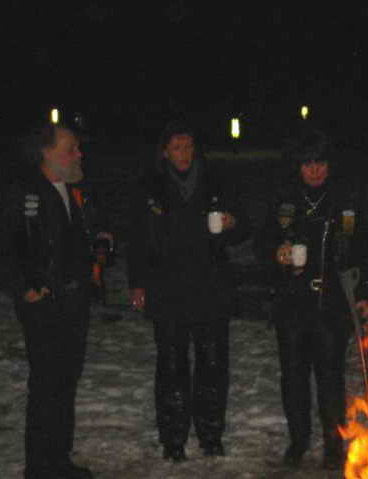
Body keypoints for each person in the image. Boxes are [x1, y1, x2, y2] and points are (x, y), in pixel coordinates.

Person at [0, 123, 111, 479]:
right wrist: (22, 286)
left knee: (65, 382)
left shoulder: (77, 190)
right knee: (46, 385)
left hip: (74, 301)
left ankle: (59, 460)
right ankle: (40, 467)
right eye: (71, 149)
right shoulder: (23, 194)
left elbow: (89, 235)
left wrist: (100, 249)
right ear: (46, 152)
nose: (79, 155)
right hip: (43, 304)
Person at [127, 121, 248, 463]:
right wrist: (137, 282)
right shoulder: (149, 186)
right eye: (177, 148)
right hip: (167, 286)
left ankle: (211, 435)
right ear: (165, 151)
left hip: (210, 285)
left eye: (189, 146)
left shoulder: (215, 181)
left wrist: (232, 223)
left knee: (213, 362)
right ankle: (173, 438)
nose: (185, 154)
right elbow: (137, 238)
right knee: (171, 364)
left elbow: (244, 227)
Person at [255, 128, 368, 471]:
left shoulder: (345, 199)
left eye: (321, 163)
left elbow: (366, 250)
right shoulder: (284, 199)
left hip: (332, 304)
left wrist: (365, 294)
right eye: (308, 164)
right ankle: (298, 440)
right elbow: (262, 243)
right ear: (298, 166)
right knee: (293, 376)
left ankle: (334, 445)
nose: (315, 171)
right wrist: (274, 253)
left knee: (330, 377)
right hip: (292, 304)